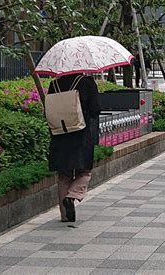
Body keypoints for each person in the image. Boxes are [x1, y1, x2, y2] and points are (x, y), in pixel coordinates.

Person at [47, 73, 100, 222]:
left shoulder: (54, 84)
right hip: (81, 134)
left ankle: (65, 216)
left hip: (60, 135)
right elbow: (96, 109)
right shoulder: (87, 82)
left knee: (64, 175)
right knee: (85, 171)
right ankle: (73, 195)